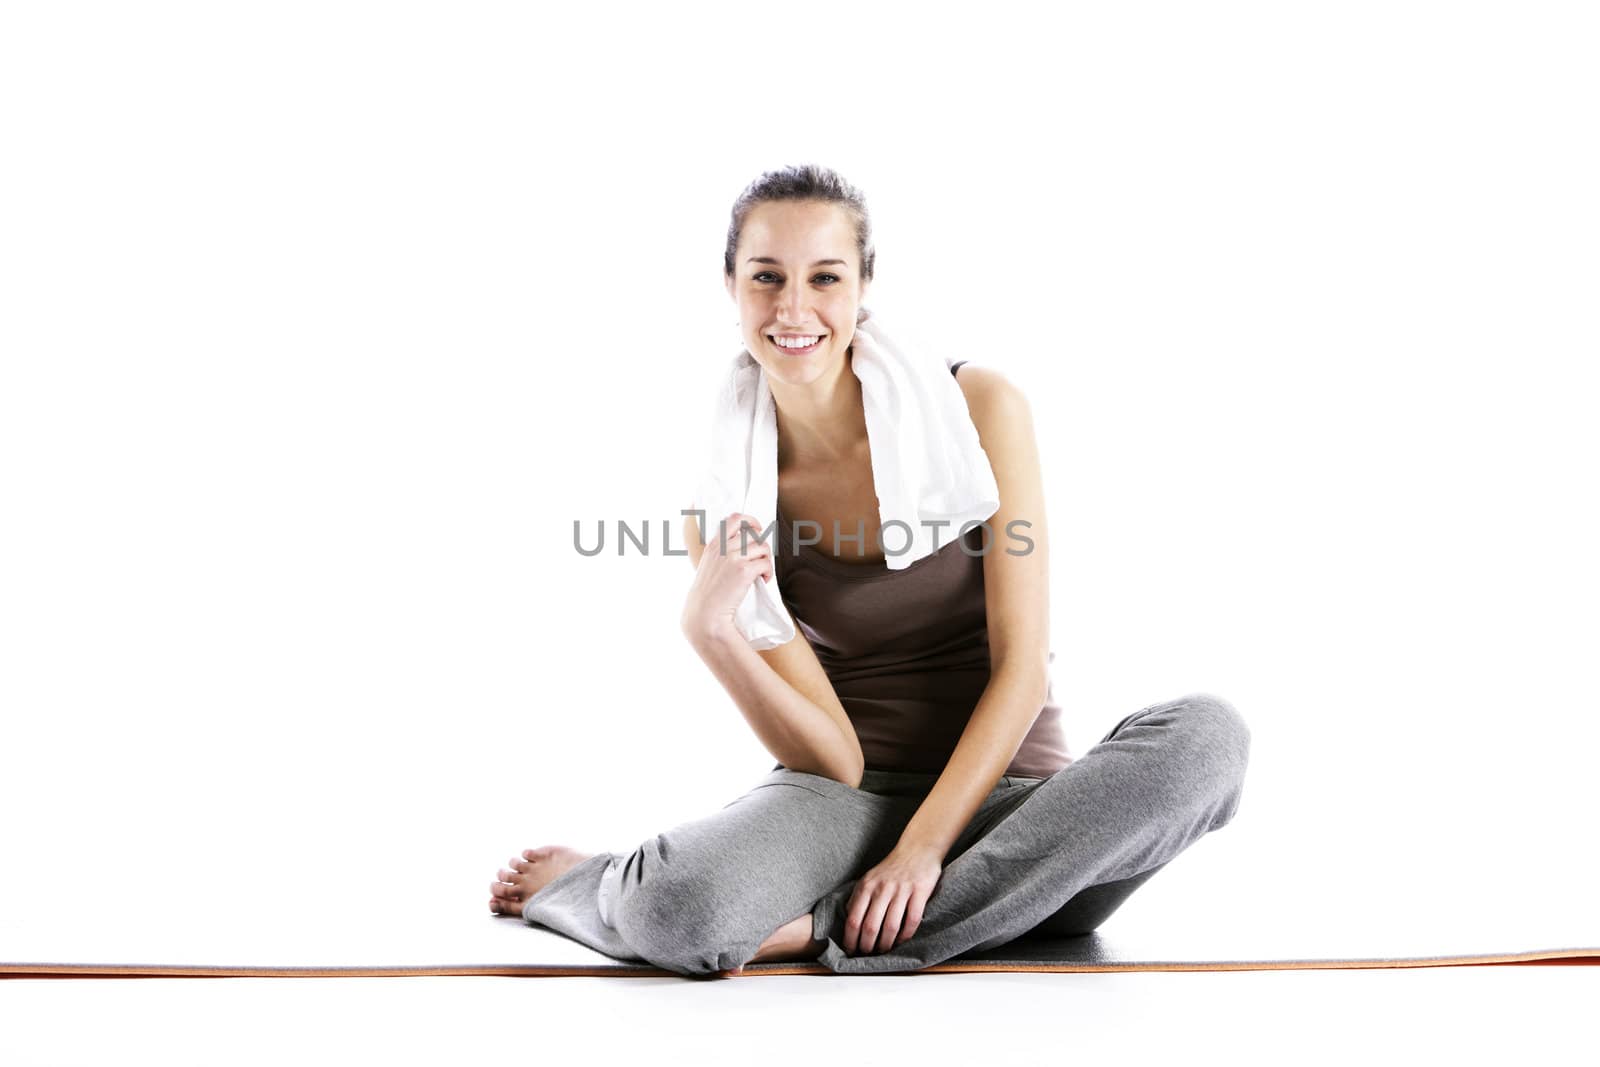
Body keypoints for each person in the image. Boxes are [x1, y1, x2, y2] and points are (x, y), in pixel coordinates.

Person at [486, 164, 1251, 977]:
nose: (792, 309)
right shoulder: (727, 501)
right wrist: (710, 632)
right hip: (844, 802)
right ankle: (602, 884)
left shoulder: (981, 407)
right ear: (730, 287)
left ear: (863, 286)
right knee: (673, 908)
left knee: (1208, 740)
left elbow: (1022, 670)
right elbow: (836, 759)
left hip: (1014, 812)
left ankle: (822, 926)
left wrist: (922, 852)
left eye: (824, 277)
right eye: (765, 278)